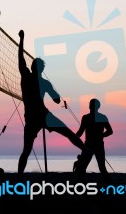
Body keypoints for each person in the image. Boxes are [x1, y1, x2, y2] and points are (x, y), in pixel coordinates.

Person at [17, 30, 89, 179]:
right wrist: (57, 96)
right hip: (41, 116)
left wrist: (22, 39)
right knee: (67, 133)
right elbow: (56, 100)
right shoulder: (41, 82)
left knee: (26, 150)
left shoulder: (28, 77)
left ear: (32, 68)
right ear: (41, 69)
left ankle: (19, 176)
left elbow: (20, 59)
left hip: (33, 117)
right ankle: (85, 150)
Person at [74, 98, 113, 182]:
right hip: (89, 145)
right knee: (83, 167)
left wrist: (101, 135)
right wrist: (73, 137)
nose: (90, 105)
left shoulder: (101, 117)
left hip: (97, 145)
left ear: (96, 106)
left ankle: (108, 183)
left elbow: (110, 131)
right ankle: (82, 184)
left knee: (101, 167)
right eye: (90, 103)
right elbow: (80, 131)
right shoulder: (86, 118)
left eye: (92, 104)